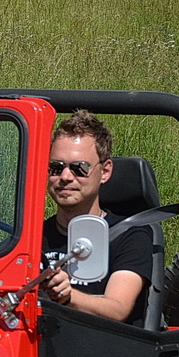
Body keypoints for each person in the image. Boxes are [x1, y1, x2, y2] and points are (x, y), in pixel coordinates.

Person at [39, 110, 152, 326]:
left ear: (105, 171)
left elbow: (118, 308)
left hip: (103, 352)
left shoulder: (131, 236)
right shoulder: (33, 237)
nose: (65, 177)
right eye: (56, 167)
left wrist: (67, 296)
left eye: (79, 168)